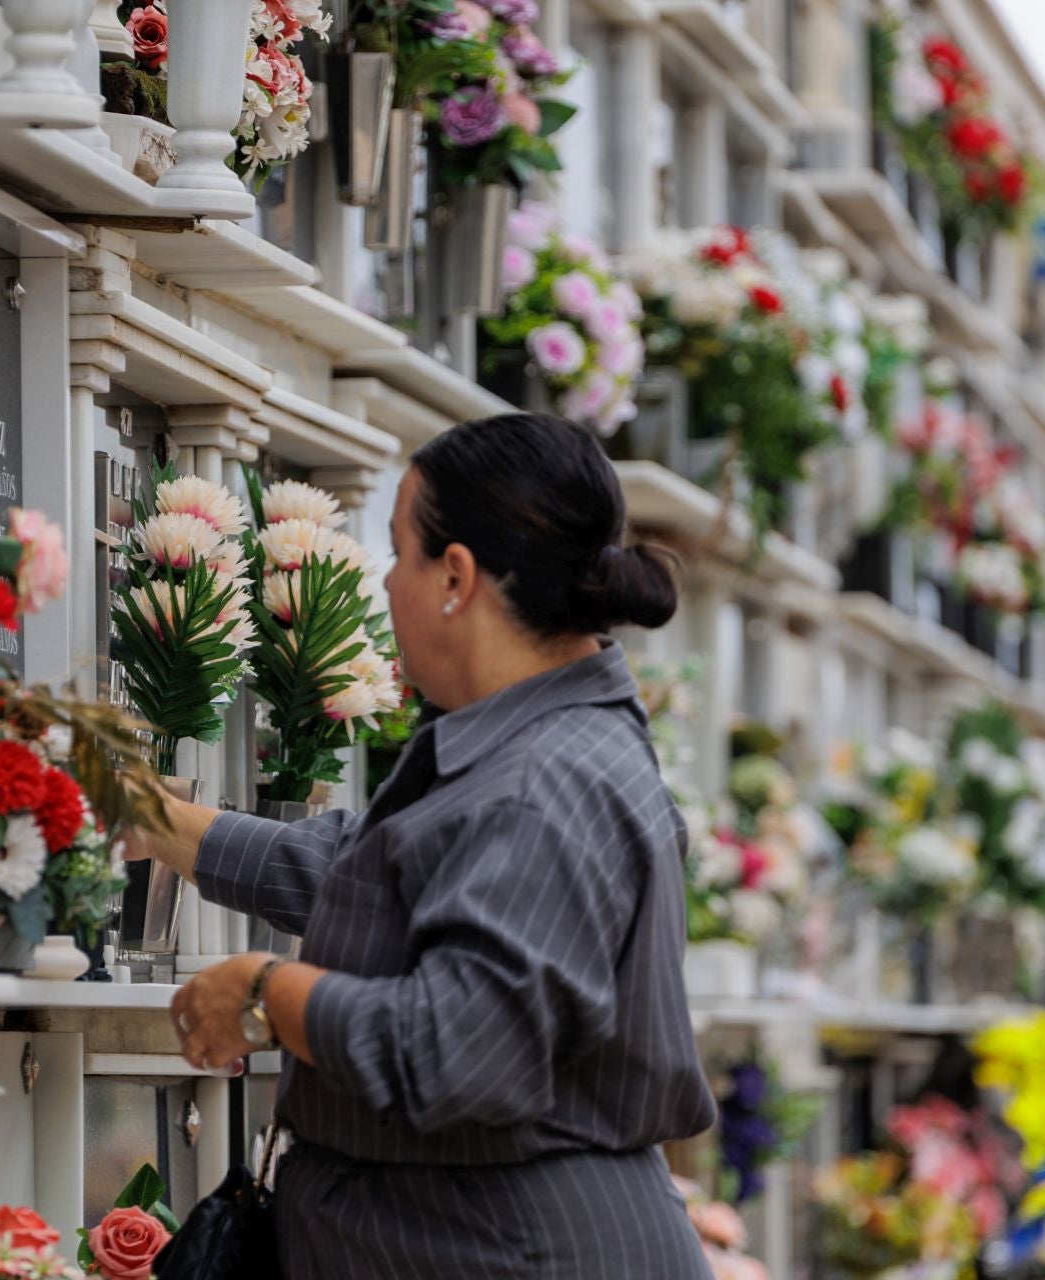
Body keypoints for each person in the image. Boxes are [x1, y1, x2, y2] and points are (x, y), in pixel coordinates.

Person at [129, 413, 717, 1276]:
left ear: (455, 576)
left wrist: (264, 991)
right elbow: (368, 883)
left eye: (399, 554)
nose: (385, 583)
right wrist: (144, 812)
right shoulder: (533, 747)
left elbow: (460, 1049)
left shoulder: (544, 780)